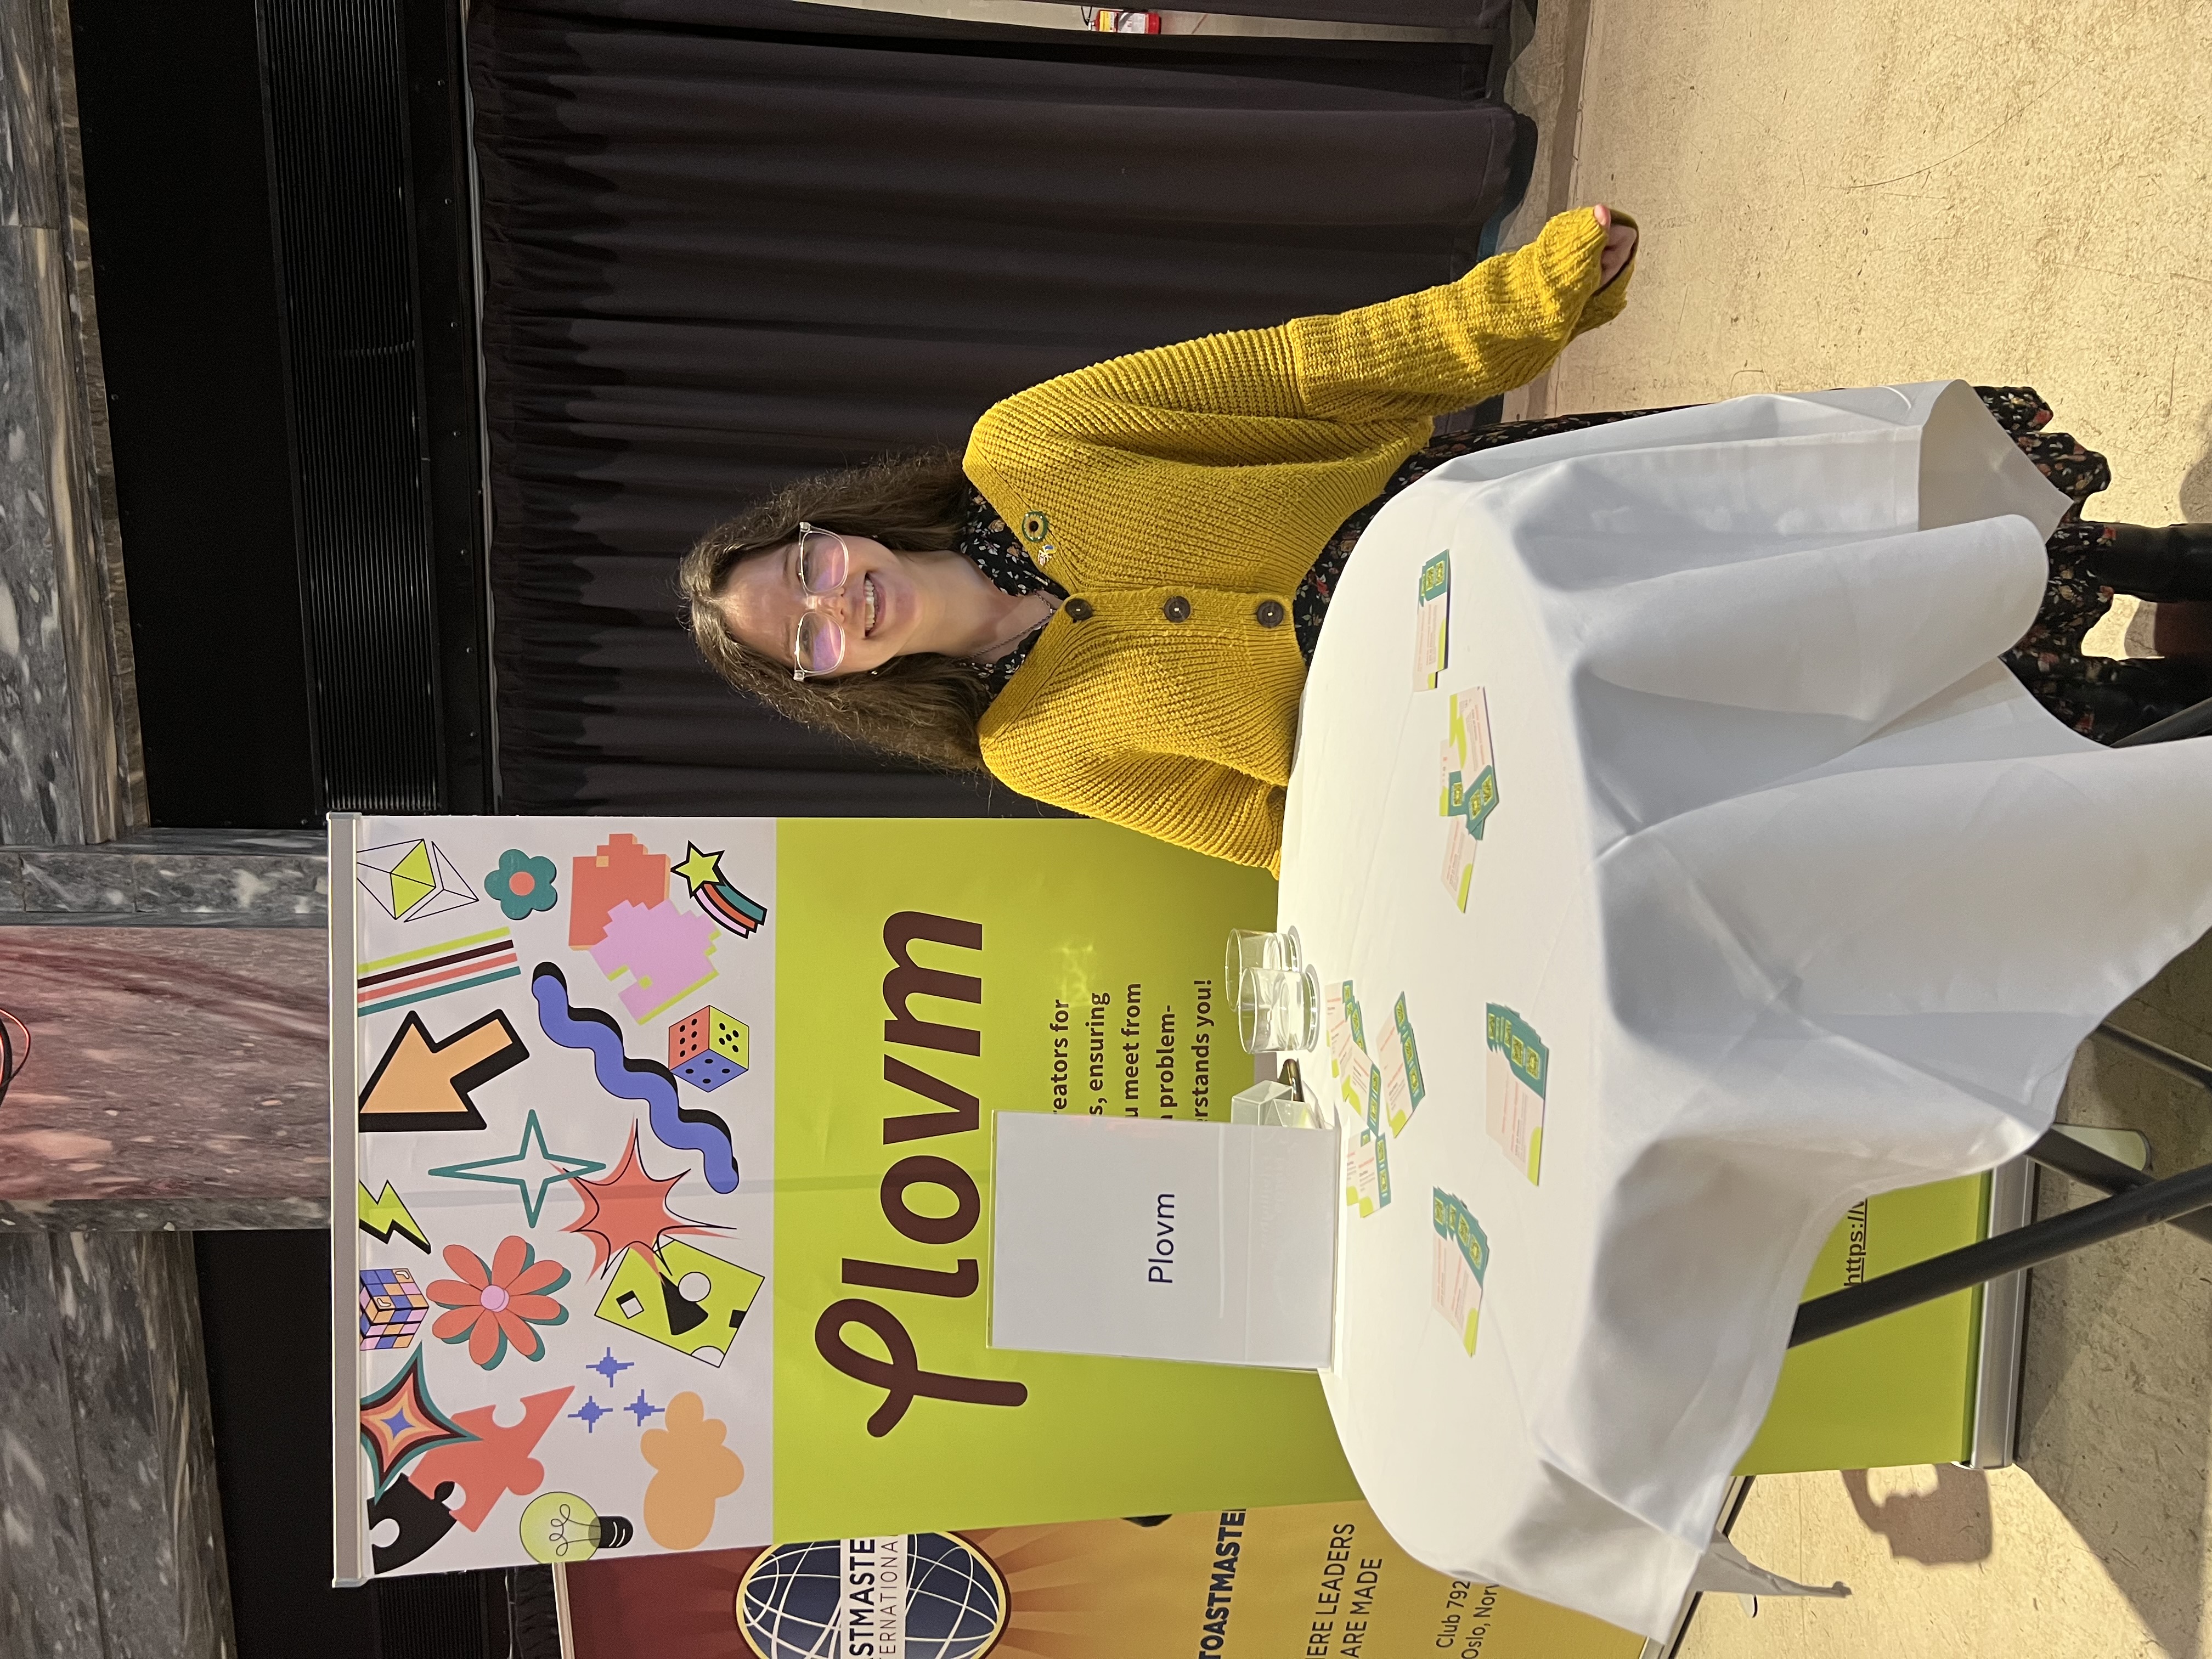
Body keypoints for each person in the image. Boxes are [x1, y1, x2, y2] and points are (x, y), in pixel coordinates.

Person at [681, 206, 2212, 874]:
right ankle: (2154, 721)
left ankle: (2164, 566)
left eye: (804, 569)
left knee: (1840, 537)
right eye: (803, 639)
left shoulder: (1029, 444)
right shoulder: (1035, 750)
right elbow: (1274, 833)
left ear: (830, 526)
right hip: (1517, 702)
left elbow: (1303, 374)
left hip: (1512, 527)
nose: (836, 603)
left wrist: (1529, 300)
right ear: (830, 686)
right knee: (1831, 689)